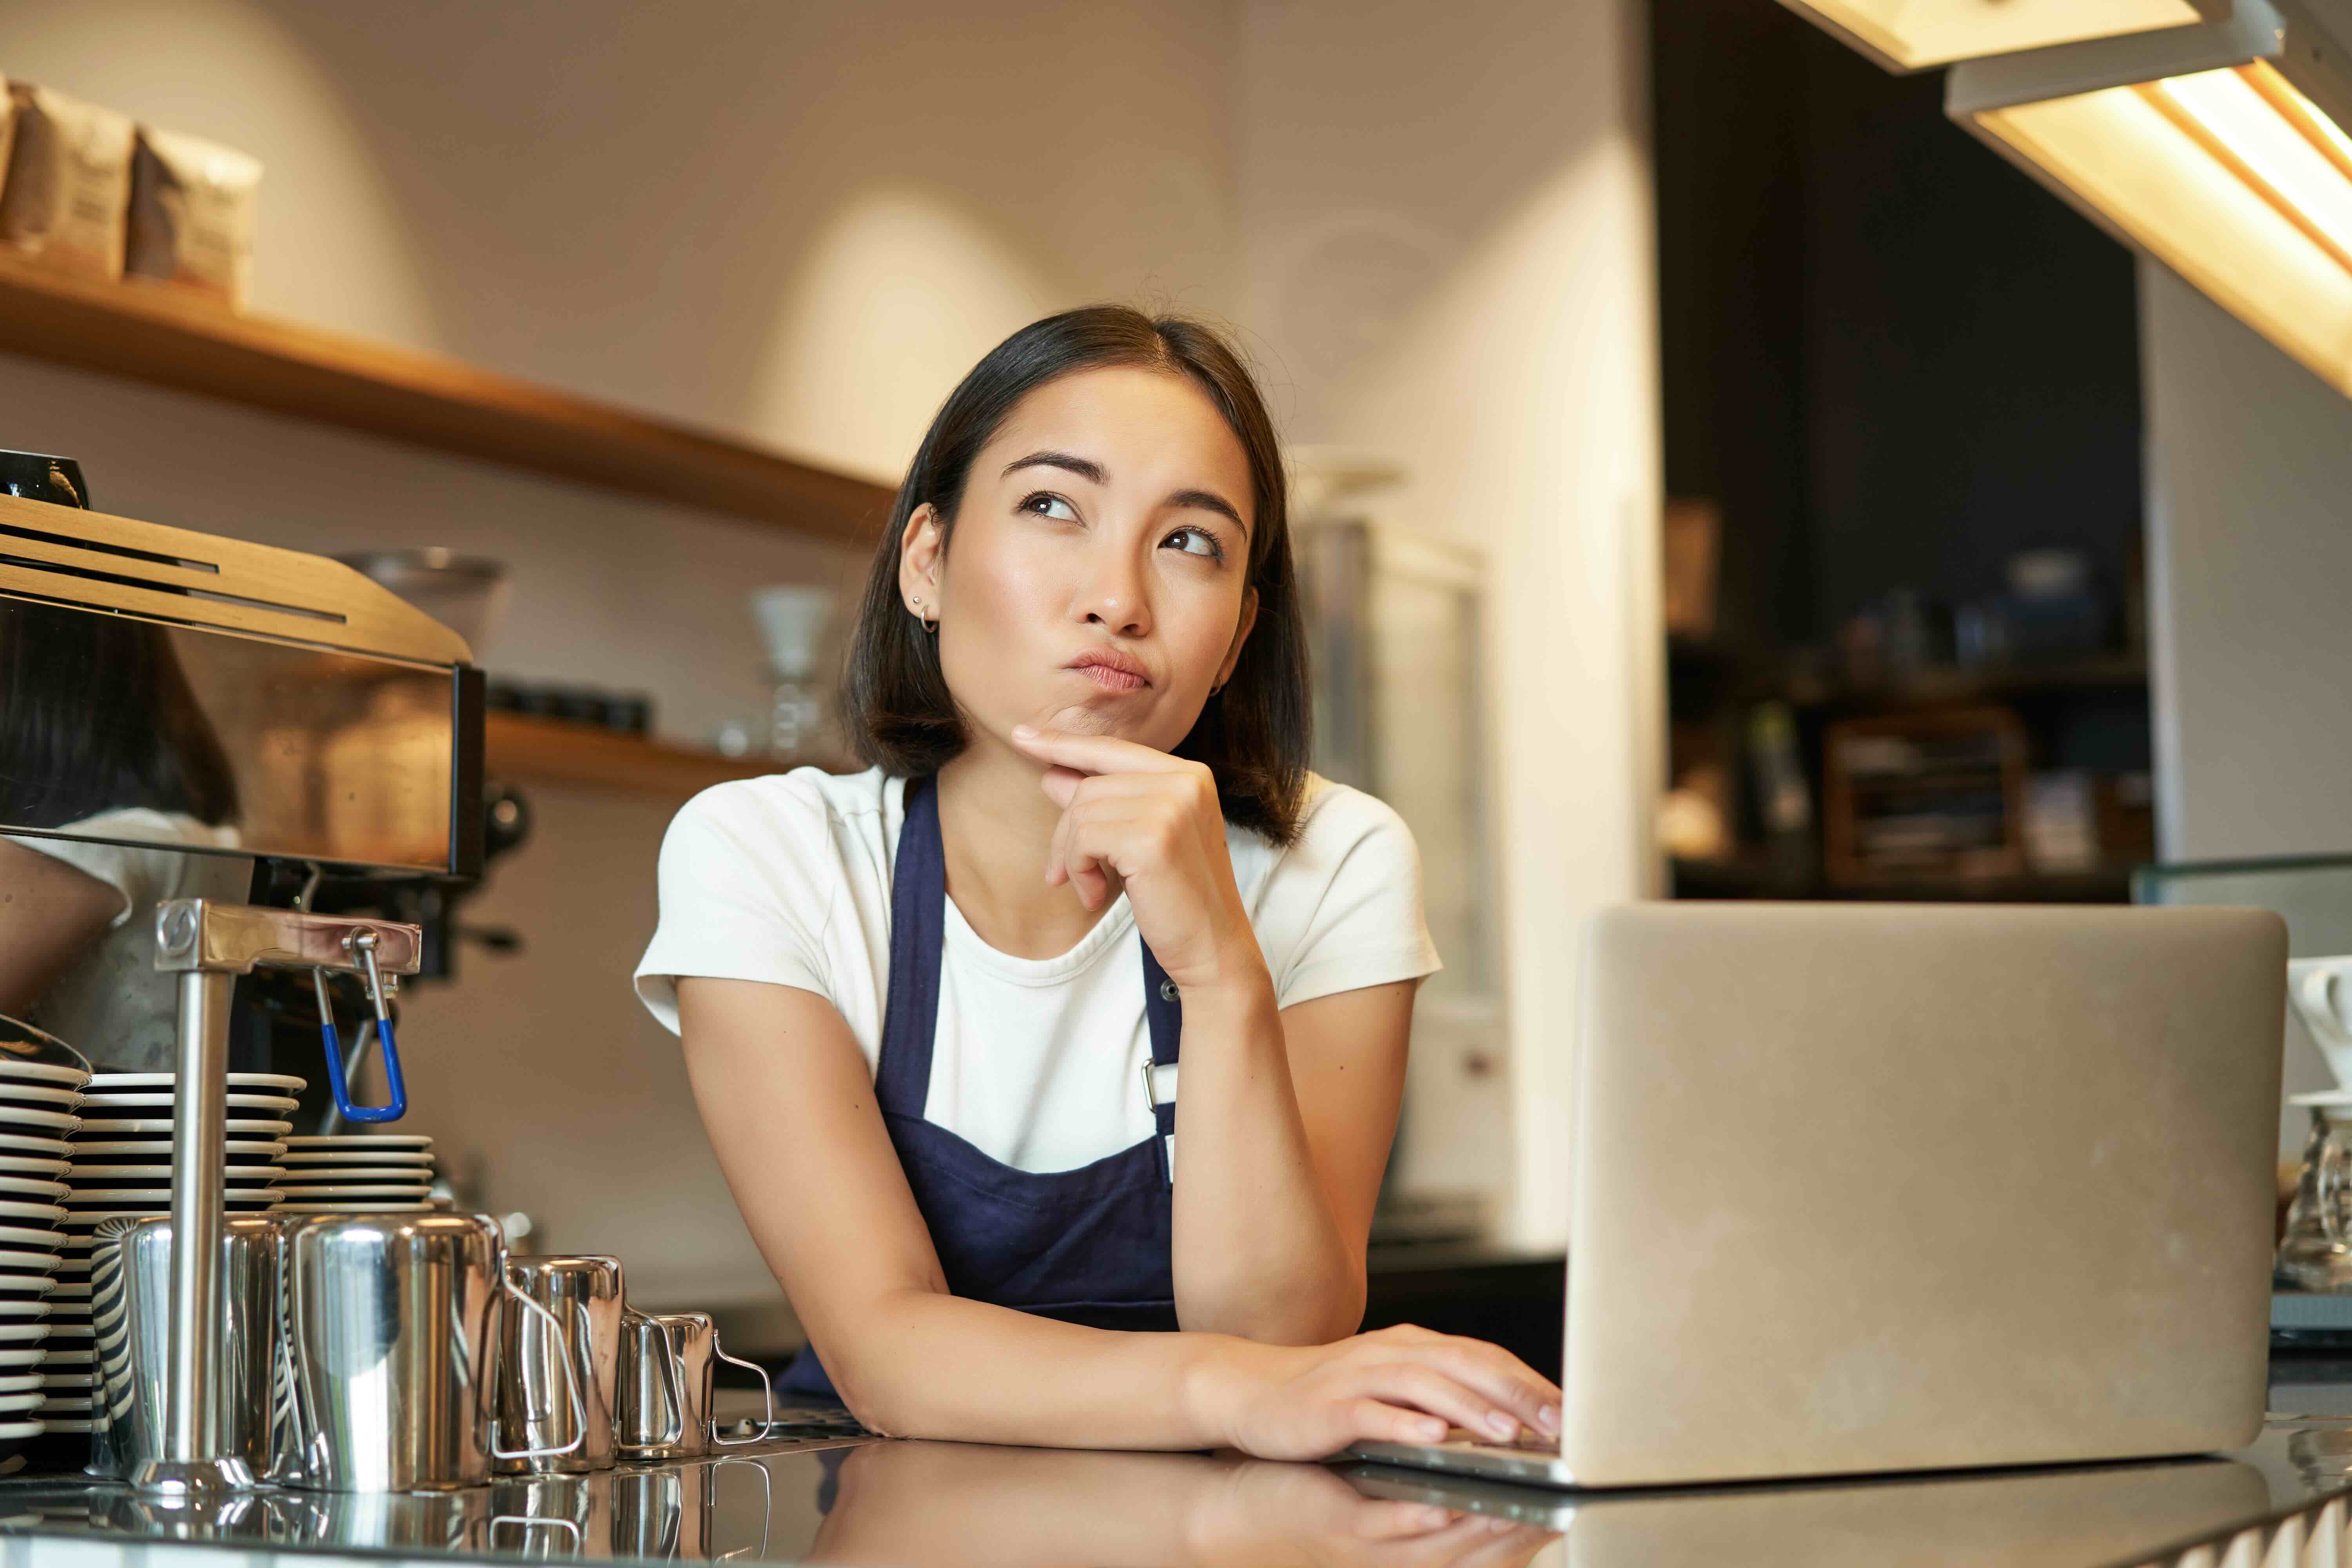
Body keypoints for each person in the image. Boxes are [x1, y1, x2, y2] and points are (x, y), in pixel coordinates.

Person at [635, 305, 1559, 1458]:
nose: (1119, 596)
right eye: (1053, 507)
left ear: (1234, 640)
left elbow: (1279, 1330)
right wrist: (1235, 1395)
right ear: (927, 562)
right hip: (899, 1522)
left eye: (1190, 543)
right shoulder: (769, 854)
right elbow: (886, 1352)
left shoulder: (1340, 860)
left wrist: (1219, 963)